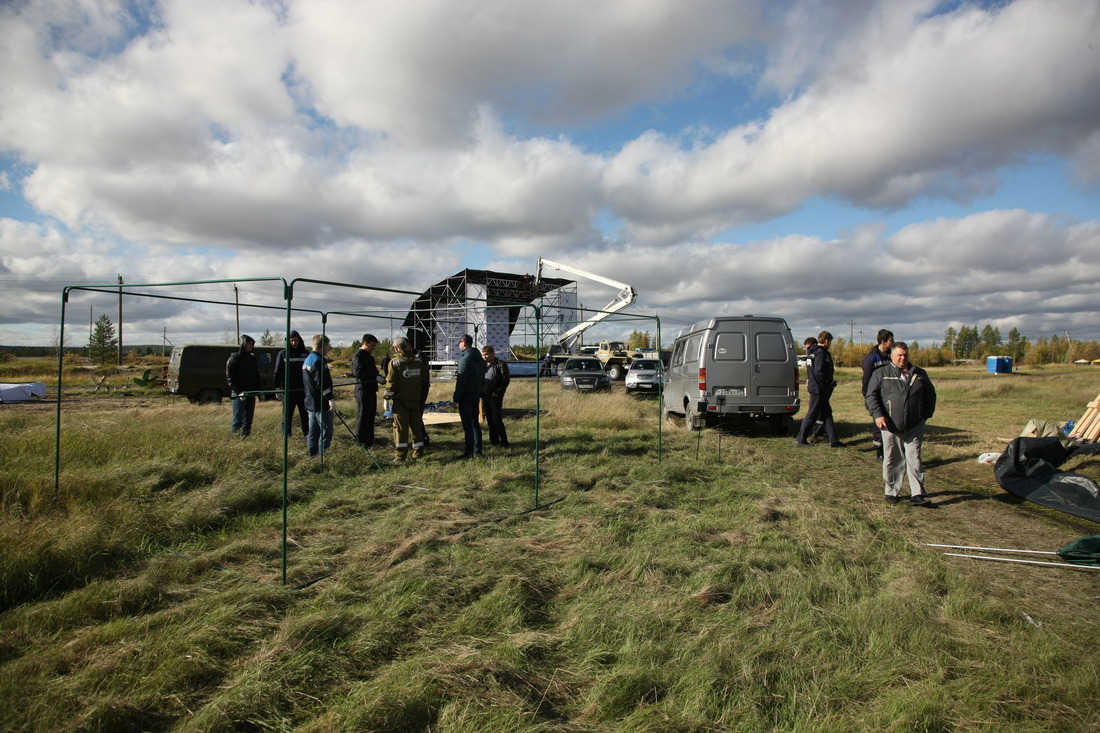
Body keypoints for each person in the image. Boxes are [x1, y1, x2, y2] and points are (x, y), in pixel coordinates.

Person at [865, 342, 937, 506]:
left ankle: (917, 494)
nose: (903, 358)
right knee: (892, 459)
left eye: (905, 355)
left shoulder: (919, 374)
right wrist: (878, 415)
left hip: (914, 425)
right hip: (890, 425)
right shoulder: (881, 373)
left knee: (915, 458)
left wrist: (924, 415)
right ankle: (892, 492)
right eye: (899, 355)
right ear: (892, 356)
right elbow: (871, 396)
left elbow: (930, 395)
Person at [383, 337, 428, 462]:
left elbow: (390, 383)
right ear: (408, 346)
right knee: (416, 427)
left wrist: (387, 398)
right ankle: (418, 453)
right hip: (415, 400)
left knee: (400, 429)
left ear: (397, 348)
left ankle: (400, 455)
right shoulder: (418, 361)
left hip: (400, 402)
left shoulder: (395, 363)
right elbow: (424, 380)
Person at [794, 330, 840, 447]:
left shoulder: (813, 352)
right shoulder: (820, 353)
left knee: (827, 413)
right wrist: (828, 382)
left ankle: (833, 440)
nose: (830, 344)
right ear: (827, 340)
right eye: (830, 342)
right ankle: (801, 439)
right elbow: (819, 372)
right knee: (812, 414)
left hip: (817, 387)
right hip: (819, 389)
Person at [861, 329, 895, 459]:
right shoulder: (871, 358)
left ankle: (890, 449)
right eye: (891, 340)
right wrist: (868, 398)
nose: (893, 342)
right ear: (883, 342)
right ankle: (879, 451)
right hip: (877, 396)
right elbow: (866, 380)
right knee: (879, 422)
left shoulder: (890, 355)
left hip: (890, 395)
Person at [452, 334, 486, 458]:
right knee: (475, 424)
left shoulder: (465, 360)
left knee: (468, 426)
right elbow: (483, 378)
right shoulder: (479, 359)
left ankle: (469, 452)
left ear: (464, 343)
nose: (459, 346)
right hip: (476, 394)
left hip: (466, 396)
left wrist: (456, 398)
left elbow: (461, 381)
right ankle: (478, 451)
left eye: (460, 344)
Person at [303, 333, 335, 457]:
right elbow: (322, 383)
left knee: (313, 432)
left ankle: (312, 456)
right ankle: (322, 459)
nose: (329, 349)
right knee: (326, 432)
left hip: (310, 402)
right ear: (324, 345)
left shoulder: (308, 359)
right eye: (328, 346)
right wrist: (330, 399)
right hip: (321, 403)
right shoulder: (318, 361)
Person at [273, 330, 310, 437]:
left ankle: (307, 436)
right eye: (291, 340)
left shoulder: (305, 353)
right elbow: (277, 372)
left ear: (299, 340)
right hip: (288, 391)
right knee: (287, 417)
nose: (294, 343)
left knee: (305, 415)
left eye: (296, 340)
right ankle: (286, 438)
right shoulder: (283, 354)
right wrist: (277, 388)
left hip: (302, 391)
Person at [225, 334, 261, 436]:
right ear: (243, 344)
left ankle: (245, 442)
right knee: (238, 421)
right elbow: (230, 378)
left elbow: (256, 375)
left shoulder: (252, 359)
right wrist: (238, 392)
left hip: (250, 393)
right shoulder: (234, 359)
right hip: (239, 395)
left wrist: (259, 391)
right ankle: (234, 444)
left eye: (252, 344)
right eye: (248, 344)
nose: (250, 346)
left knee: (248, 422)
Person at [352, 334, 382, 448]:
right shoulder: (358, 356)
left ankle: (369, 442)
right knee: (363, 417)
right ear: (365, 343)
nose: (373, 348)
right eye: (372, 345)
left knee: (370, 417)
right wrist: (374, 377)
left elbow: (374, 372)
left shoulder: (370, 357)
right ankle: (360, 442)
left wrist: (381, 378)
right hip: (362, 390)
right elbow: (358, 373)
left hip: (371, 390)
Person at [481, 344, 511, 448]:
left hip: (495, 396)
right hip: (485, 396)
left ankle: (504, 442)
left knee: (496, 419)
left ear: (492, 354)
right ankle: (494, 441)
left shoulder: (500, 364)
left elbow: (505, 380)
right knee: (489, 419)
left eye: (486, 354)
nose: (484, 357)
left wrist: (497, 391)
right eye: (483, 355)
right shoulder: (483, 366)